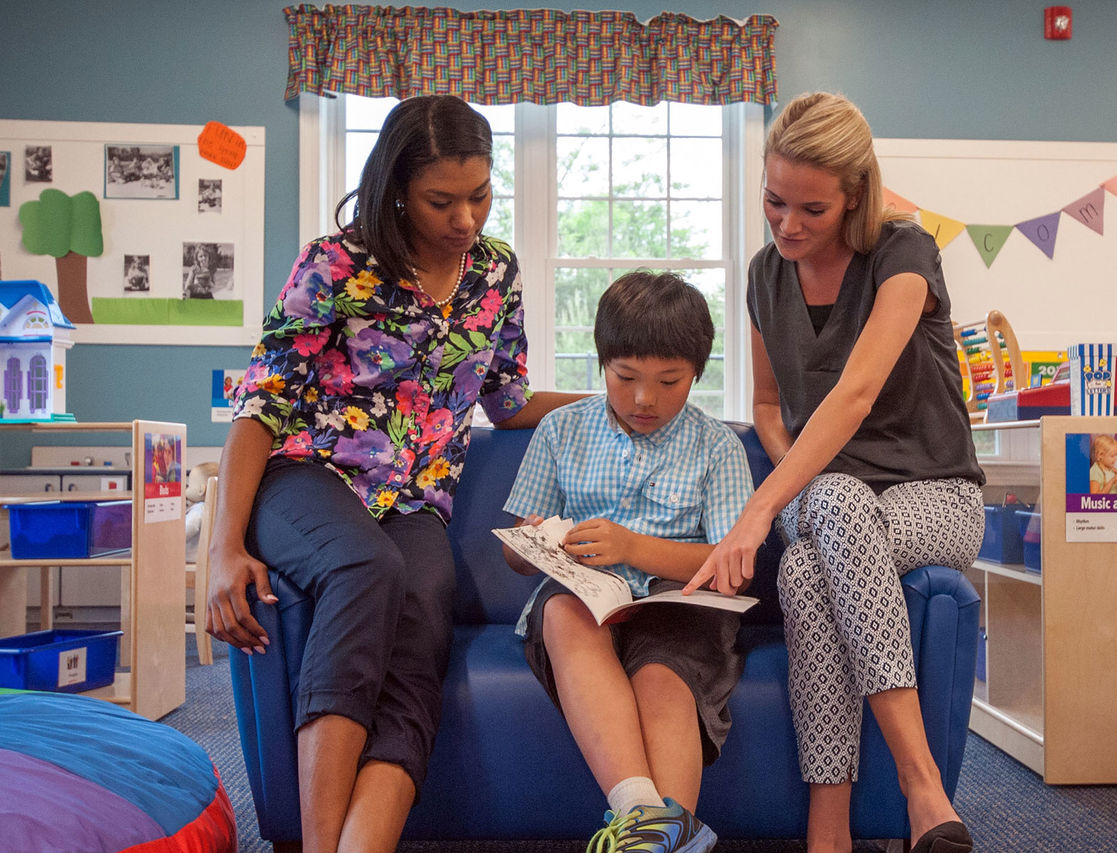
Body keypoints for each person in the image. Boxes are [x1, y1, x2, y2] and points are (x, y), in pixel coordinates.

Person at [205, 95, 579, 853]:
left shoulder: (495, 273)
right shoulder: (335, 262)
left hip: (415, 501)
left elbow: (506, 400)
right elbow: (261, 404)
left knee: (420, 624)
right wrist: (220, 546)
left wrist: (627, 400)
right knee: (365, 567)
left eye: (480, 195)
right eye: (444, 200)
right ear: (399, 186)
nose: (467, 218)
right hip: (305, 477)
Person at [682, 92, 984, 853]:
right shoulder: (763, 276)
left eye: (811, 210)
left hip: (936, 496)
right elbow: (765, 405)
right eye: (774, 201)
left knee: (807, 569)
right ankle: (922, 800)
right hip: (823, 497)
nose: (788, 225)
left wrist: (761, 511)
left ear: (856, 195)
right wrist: (799, 479)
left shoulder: (903, 253)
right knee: (835, 508)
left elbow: (852, 395)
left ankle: (848, 819)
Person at [502, 271, 754, 853]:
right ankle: (645, 816)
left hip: (677, 599)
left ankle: (659, 835)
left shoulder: (717, 446)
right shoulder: (562, 430)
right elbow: (516, 553)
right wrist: (536, 541)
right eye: (626, 378)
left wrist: (634, 548)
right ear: (602, 364)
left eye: (669, 381)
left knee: (665, 678)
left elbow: (731, 564)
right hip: (583, 597)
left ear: (697, 373)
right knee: (562, 613)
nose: (645, 399)